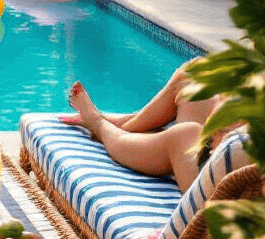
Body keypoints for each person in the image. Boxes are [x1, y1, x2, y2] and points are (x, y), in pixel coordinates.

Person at [61, 59, 236, 192]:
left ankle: (97, 122)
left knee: (185, 133)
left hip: (220, 188)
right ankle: (120, 125)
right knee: (195, 77)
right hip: (223, 161)